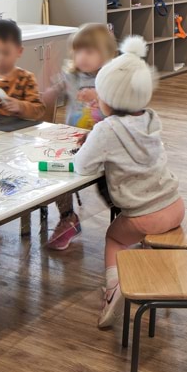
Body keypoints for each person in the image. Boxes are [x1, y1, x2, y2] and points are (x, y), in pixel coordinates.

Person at [74, 36, 184, 328]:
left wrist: (89, 143)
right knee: (141, 233)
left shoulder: (106, 129)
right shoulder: (150, 119)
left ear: (108, 101)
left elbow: (81, 165)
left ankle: (113, 288)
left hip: (145, 216)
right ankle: (145, 273)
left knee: (114, 236)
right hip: (175, 205)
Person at [40, 23, 118, 251]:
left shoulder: (111, 78)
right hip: (75, 143)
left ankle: (129, 220)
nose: (81, 57)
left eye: (89, 51)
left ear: (105, 53)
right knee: (59, 177)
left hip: (105, 145)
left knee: (107, 188)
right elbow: (47, 96)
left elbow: (122, 106)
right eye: (78, 51)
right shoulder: (71, 77)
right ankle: (68, 219)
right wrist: (48, 70)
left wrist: (99, 94)